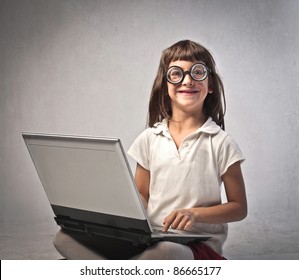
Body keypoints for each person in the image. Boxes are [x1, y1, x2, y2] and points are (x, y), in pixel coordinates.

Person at [53, 39, 247, 260]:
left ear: (210, 84)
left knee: (166, 251)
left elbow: (239, 207)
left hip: (195, 245)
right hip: (150, 239)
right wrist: (115, 216)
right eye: (176, 74)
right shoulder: (149, 138)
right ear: (164, 86)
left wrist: (194, 214)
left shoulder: (221, 142)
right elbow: (142, 196)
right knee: (64, 237)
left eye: (197, 72)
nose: (187, 80)